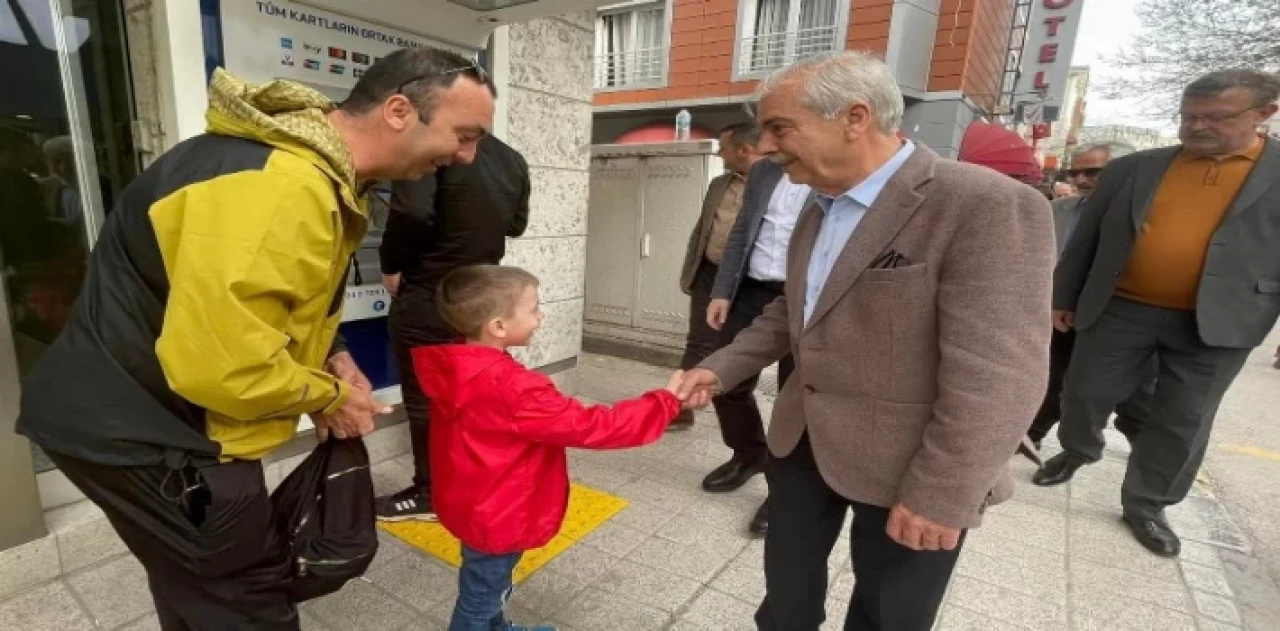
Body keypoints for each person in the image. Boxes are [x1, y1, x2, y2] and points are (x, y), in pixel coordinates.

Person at [14, 47, 497, 630]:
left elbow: (275, 303)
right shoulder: (282, 187)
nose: (466, 156)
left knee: (196, 586)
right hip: (151, 430)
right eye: (464, 134)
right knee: (247, 600)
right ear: (398, 110)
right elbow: (225, 367)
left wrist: (335, 357)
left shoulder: (300, 171)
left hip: (133, 414)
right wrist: (327, 396)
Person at [678, 51, 1055, 630]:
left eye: (780, 127)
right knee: (785, 599)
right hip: (801, 437)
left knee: (888, 615)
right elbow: (796, 309)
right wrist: (722, 367)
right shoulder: (817, 201)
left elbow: (999, 371)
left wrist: (944, 493)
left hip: (912, 462)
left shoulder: (984, 205)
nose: (768, 145)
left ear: (855, 117)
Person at [1033, 69, 1280, 558]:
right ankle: (1079, 449)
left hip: (1220, 321)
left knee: (1182, 417)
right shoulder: (1135, 169)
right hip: (1121, 306)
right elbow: (1089, 238)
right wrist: (1063, 296)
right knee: (1082, 389)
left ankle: (1146, 504)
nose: (1197, 126)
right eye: (1189, 116)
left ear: (1264, 114)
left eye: (1215, 117)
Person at [415, 265, 683, 631]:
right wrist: (664, 402)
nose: (541, 316)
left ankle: (498, 628)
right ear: (497, 326)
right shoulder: (513, 388)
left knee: (487, 584)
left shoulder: (455, 366)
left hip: (474, 502)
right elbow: (592, 425)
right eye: (533, 308)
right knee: (480, 598)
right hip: (501, 511)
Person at [374, 134, 531, 522]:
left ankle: (430, 492)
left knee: (426, 401)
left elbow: (411, 212)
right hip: (481, 299)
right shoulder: (511, 160)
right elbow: (516, 224)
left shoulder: (432, 147)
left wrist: (392, 265)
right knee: (470, 397)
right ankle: (471, 480)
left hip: (430, 293)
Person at [698, 134, 815, 536]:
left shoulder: (827, 170)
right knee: (724, 381)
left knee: (793, 400)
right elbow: (743, 230)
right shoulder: (764, 171)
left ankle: (782, 492)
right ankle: (749, 453)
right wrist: (722, 291)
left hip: (805, 296)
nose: (765, 139)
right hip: (752, 289)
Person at [1026, 143, 1155, 450]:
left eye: (1093, 172)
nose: (1081, 180)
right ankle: (1034, 436)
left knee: (1133, 397)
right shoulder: (1056, 211)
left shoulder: (1149, 215)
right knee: (1052, 378)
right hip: (1057, 312)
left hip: (1118, 317)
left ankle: (1146, 454)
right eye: (1074, 172)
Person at [671, 122, 763, 431]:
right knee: (698, 341)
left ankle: (737, 414)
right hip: (709, 274)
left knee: (743, 346)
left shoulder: (775, 187)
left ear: (743, 149)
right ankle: (679, 408)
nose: (720, 153)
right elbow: (702, 230)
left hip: (750, 282)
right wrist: (693, 272)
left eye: (723, 147)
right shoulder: (719, 184)